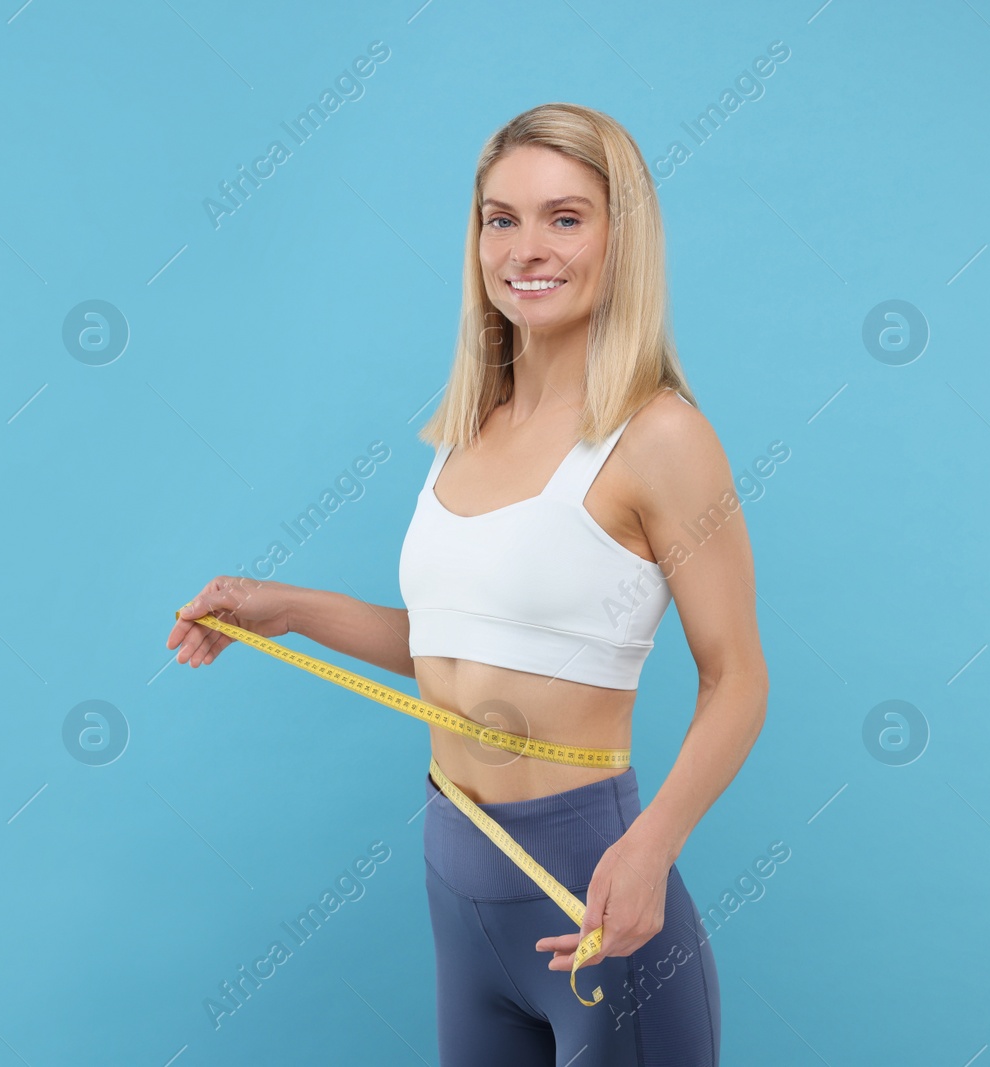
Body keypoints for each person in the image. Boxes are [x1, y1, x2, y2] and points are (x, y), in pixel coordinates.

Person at [166, 102, 766, 1067]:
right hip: (456, 885)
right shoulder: (468, 429)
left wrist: (654, 846)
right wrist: (292, 610)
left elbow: (738, 678)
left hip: (592, 894)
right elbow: (457, 647)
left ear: (624, 238)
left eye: (566, 218)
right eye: (502, 218)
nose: (528, 248)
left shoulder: (660, 439)